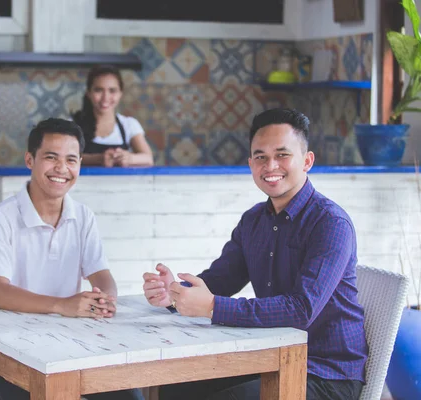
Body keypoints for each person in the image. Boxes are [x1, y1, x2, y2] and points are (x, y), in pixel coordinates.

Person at [142, 108, 368, 400]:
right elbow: (220, 280)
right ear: (251, 164)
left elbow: (302, 309)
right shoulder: (253, 221)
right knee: (173, 388)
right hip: (270, 357)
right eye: (260, 157)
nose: (270, 165)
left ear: (307, 161)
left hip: (327, 373)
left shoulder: (330, 223)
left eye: (282, 155)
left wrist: (212, 306)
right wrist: (174, 293)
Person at [0, 118, 144, 400]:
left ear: (79, 163)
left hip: (70, 348)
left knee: (130, 396)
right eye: (51, 158)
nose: (61, 169)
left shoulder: (83, 216)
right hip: (8, 353)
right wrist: (61, 305)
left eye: (71, 160)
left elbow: (100, 273)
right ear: (30, 160)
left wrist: (106, 298)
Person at [71, 64, 154, 168]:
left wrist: (129, 158)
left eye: (112, 90)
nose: (105, 97)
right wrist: (99, 159)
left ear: (120, 93)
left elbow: (148, 158)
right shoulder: (72, 126)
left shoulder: (129, 125)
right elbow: (65, 157)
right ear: (89, 93)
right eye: (98, 90)